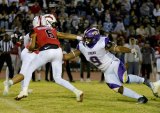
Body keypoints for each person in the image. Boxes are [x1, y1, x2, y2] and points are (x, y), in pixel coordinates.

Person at [63, 27, 160, 103]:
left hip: (113, 64)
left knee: (124, 79)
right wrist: (56, 55)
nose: (86, 40)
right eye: (85, 37)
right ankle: (140, 98)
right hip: (106, 71)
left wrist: (130, 50)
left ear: (95, 38)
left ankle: (149, 83)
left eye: (88, 38)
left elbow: (117, 48)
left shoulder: (102, 42)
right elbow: (68, 57)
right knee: (117, 88)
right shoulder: (82, 45)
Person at [3, 15, 83, 102]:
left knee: (29, 69)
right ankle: (77, 91)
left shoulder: (35, 30)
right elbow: (63, 35)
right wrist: (79, 37)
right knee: (57, 78)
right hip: (58, 51)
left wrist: (33, 39)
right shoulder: (51, 29)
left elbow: (31, 47)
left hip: (46, 51)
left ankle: (24, 90)